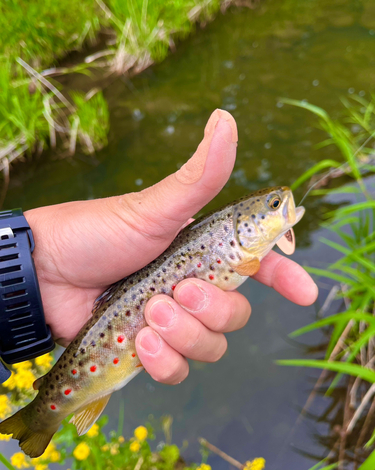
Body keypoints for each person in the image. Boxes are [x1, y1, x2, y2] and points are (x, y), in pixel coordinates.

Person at [22, 109, 317, 385]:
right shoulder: (242, 254)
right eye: (274, 205)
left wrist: (31, 272)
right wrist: (36, 269)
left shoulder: (245, 253)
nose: (281, 205)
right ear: (240, 227)